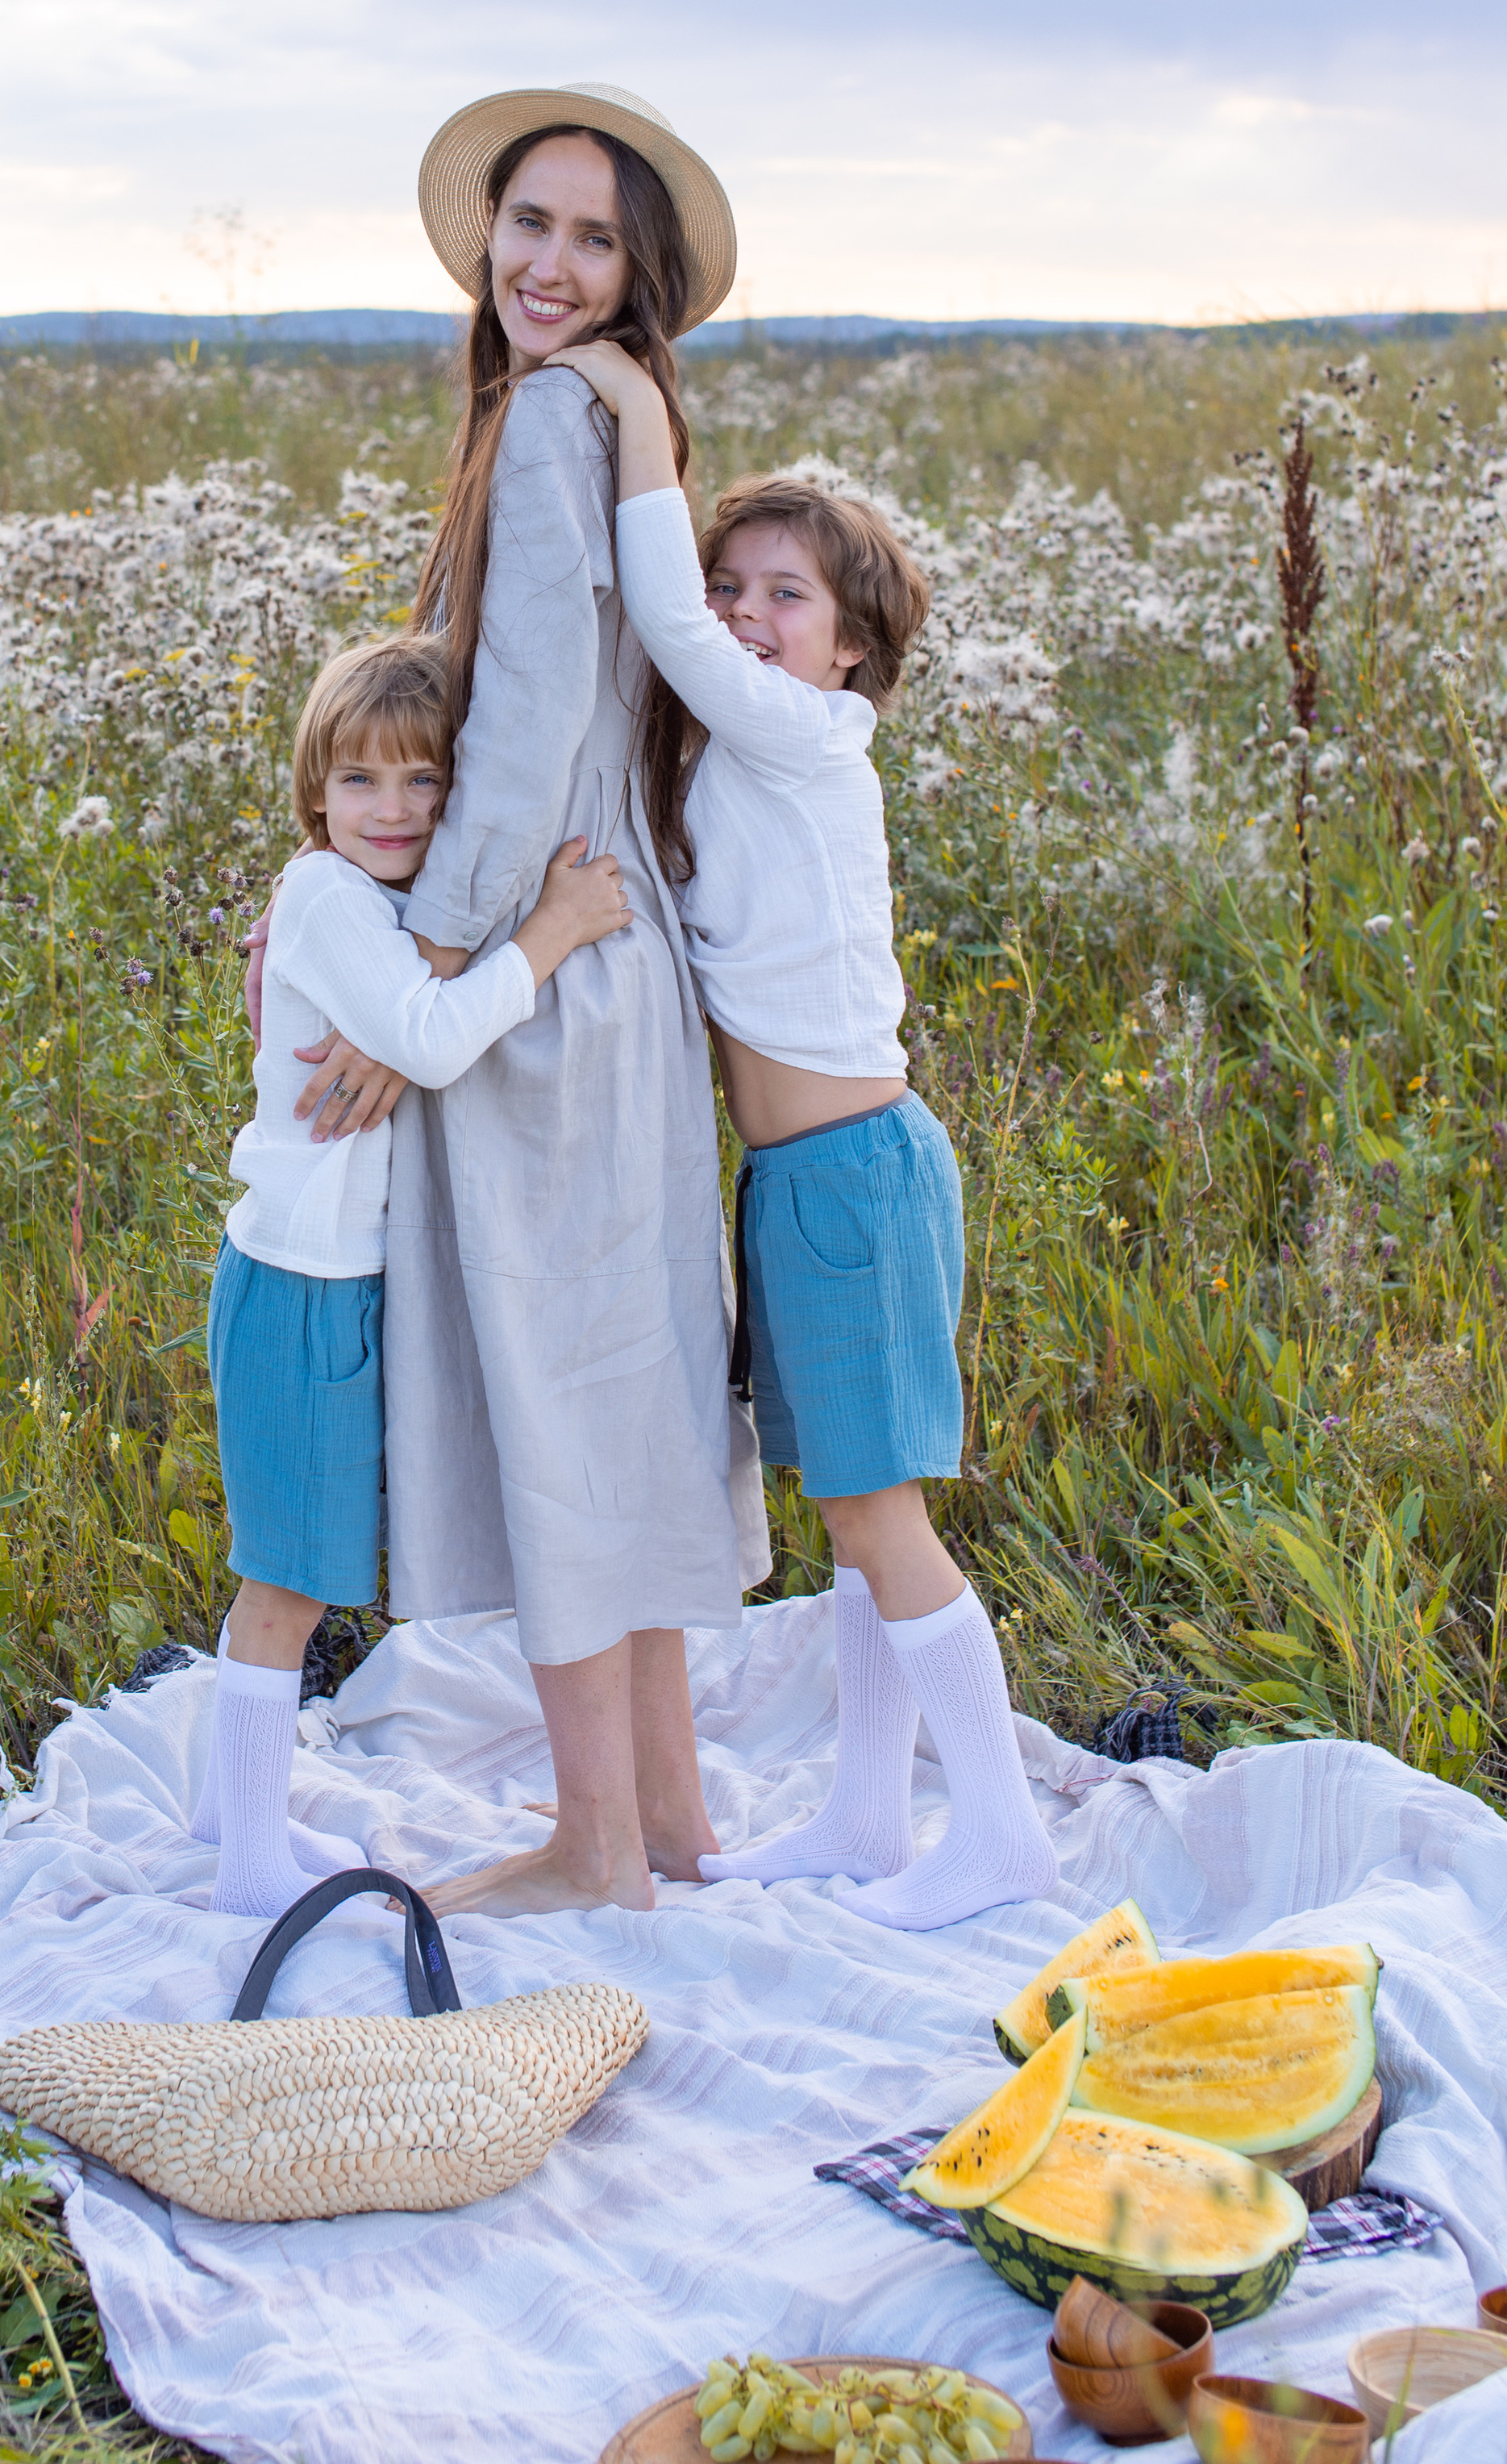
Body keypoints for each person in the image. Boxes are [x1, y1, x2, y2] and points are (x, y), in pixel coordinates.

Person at [313, 82, 772, 1922]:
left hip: (545, 971)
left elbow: (511, 737)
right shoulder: (627, 409)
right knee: (624, 1378)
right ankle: (661, 1812)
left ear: (637, 269)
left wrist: (418, 967)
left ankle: (595, 1848)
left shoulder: (549, 423)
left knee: (564, 1395)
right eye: (531, 226)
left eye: (593, 238)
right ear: (485, 237)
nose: (552, 266)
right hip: (620, 946)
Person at [568, 344, 1059, 1930]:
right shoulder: (739, 761)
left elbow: (658, 631)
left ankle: (991, 1834)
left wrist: (640, 422)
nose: (738, 613)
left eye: (781, 595)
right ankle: (862, 1816)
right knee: (850, 1506)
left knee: (877, 1512)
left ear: (848, 656)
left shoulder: (797, 735)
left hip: (851, 1172)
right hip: (797, 1181)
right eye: (728, 580)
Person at [195, 632, 631, 1917]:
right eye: (358, 784)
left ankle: (232, 1802)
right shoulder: (329, 897)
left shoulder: (379, 907)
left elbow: (416, 1014)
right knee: (289, 1578)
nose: (390, 811)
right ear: (314, 796)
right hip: (298, 1283)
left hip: (340, 1280)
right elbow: (434, 1039)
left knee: (301, 1564)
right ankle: (248, 1861)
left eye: (422, 783)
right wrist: (553, 929)